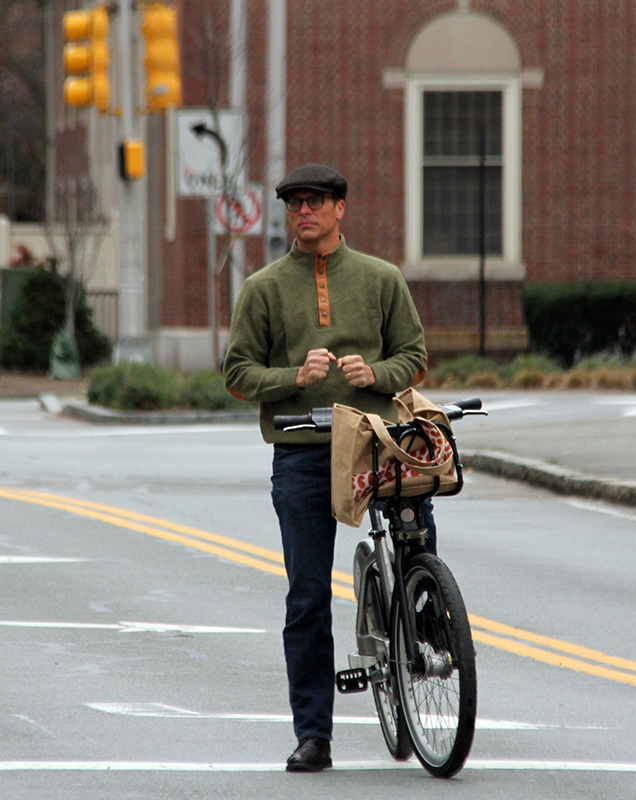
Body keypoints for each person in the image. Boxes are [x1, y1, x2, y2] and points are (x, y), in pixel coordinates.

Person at [223, 164, 430, 772]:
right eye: (295, 204)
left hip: (375, 441)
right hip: (303, 451)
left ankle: (425, 630)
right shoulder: (263, 288)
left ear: (341, 208)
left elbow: (415, 357)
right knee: (308, 596)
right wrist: (294, 376)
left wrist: (378, 374)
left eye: (316, 201)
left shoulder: (381, 278)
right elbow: (236, 375)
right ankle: (314, 735)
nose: (304, 211)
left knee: (418, 533)